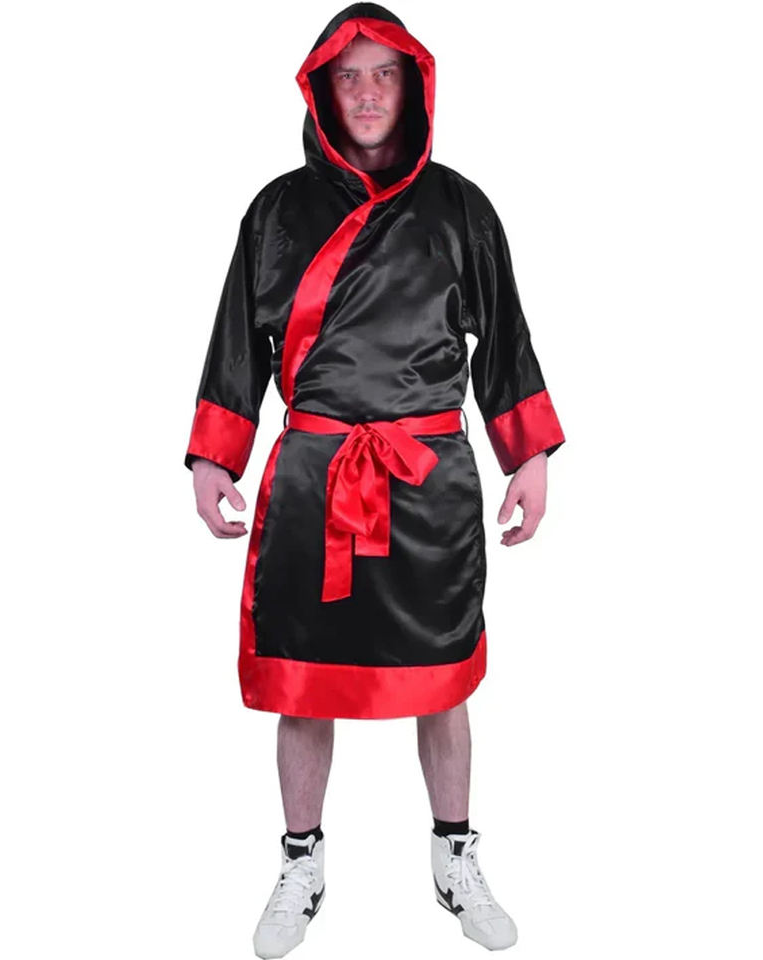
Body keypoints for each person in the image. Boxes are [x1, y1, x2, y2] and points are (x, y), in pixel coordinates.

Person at [183, 4, 565, 956]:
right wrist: (214, 454)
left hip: (428, 482)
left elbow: (504, 339)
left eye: (383, 74)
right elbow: (237, 339)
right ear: (322, 89)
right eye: (348, 75)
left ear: (412, 86)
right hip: (315, 480)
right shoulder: (276, 211)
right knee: (305, 683)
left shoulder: (461, 207)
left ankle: (454, 854)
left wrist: (527, 455)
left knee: (441, 680)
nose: (365, 93)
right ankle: (300, 861)